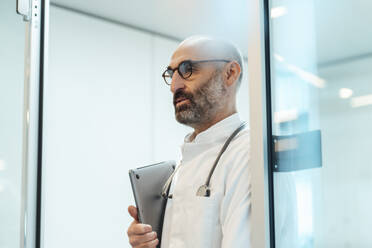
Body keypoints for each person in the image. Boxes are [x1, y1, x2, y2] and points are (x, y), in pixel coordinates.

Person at [126, 36, 251, 248]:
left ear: (229, 73)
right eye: (171, 73)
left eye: (187, 69)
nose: (174, 85)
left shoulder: (249, 156)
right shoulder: (185, 161)